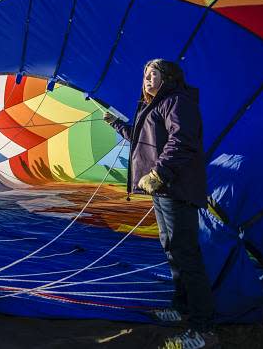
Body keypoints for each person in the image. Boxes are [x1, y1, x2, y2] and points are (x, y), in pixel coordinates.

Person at [103, 59, 217, 348]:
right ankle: (180, 307)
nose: (147, 80)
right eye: (144, 75)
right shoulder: (151, 107)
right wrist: (117, 124)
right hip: (162, 190)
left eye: (153, 74)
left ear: (169, 78)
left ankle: (204, 330)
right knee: (172, 249)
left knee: (186, 255)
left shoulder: (178, 101)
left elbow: (182, 142)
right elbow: (141, 140)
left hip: (175, 187)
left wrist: (158, 173)